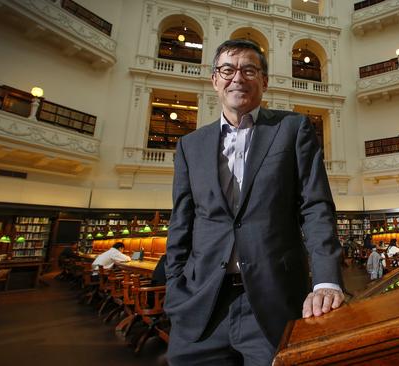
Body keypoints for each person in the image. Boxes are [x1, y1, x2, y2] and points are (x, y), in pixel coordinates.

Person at [164, 39, 345, 365]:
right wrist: (175, 288)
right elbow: (182, 221)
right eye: (228, 70)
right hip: (201, 304)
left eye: (249, 69)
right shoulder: (190, 145)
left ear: (263, 80)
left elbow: (315, 207)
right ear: (215, 80)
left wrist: (326, 282)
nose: (238, 78)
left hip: (272, 301)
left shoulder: (292, 128)